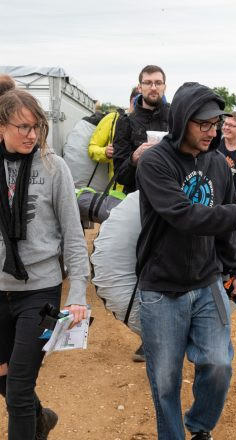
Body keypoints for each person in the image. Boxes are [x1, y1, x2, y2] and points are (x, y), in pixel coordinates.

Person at [136, 82, 236, 440]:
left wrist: (234, 269)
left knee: (218, 364)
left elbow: (222, 230)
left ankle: (199, 426)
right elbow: (185, 215)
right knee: (165, 381)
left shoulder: (218, 163)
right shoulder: (155, 162)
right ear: (183, 120)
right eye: (205, 125)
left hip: (206, 281)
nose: (213, 133)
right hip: (162, 288)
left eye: (216, 125)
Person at [0, 89, 89, 439]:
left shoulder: (54, 167)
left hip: (41, 293)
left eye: (36, 126)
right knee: (5, 378)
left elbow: (72, 233)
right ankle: (41, 419)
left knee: (20, 387)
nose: (32, 134)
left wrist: (78, 291)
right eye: (22, 126)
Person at [113, 65, 169, 194]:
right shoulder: (126, 122)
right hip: (138, 197)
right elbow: (119, 176)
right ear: (140, 87)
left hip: (172, 195)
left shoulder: (175, 117)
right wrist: (134, 158)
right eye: (148, 83)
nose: (153, 88)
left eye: (158, 83)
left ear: (164, 87)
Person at [88, 87, 138, 193]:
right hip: (117, 192)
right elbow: (92, 148)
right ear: (133, 101)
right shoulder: (112, 119)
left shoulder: (155, 123)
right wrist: (105, 152)